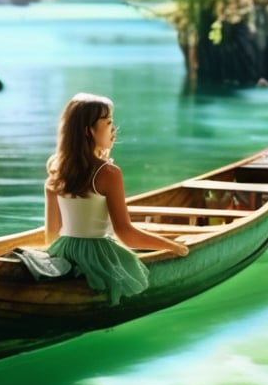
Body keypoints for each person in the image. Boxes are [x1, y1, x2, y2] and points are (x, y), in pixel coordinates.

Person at [44, 92, 189, 305]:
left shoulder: (56, 168)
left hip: (63, 251)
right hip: (99, 253)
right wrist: (174, 247)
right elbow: (125, 233)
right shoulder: (108, 173)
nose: (114, 129)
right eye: (109, 122)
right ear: (89, 131)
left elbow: (51, 235)